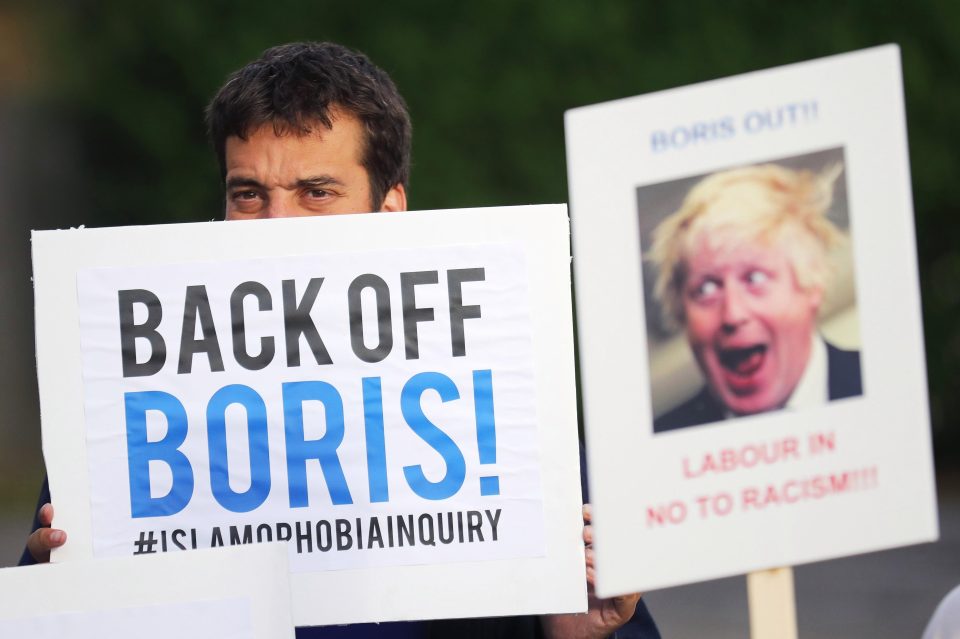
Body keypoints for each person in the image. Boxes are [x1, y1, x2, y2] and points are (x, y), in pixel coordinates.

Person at [22, 42, 658, 639]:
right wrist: (52, 599)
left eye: (316, 193)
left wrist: (579, 633)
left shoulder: (507, 415)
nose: (276, 227)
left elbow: (588, 614)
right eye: (249, 195)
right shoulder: (127, 411)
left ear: (390, 210)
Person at [649, 162, 862, 433]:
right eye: (705, 289)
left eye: (755, 279)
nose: (733, 314)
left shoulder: (883, 384)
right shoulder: (663, 444)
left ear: (811, 287)